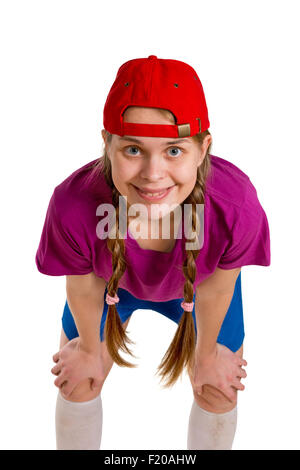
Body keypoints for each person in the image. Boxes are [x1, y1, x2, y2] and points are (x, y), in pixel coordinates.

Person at [35, 55, 271, 450]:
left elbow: (217, 288)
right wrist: (90, 351)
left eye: (174, 151)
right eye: (133, 150)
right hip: (107, 286)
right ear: (106, 145)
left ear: (203, 149)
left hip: (202, 287)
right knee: (79, 377)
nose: (153, 173)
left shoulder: (235, 206)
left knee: (217, 386)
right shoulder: (72, 204)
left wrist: (208, 353)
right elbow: (80, 286)